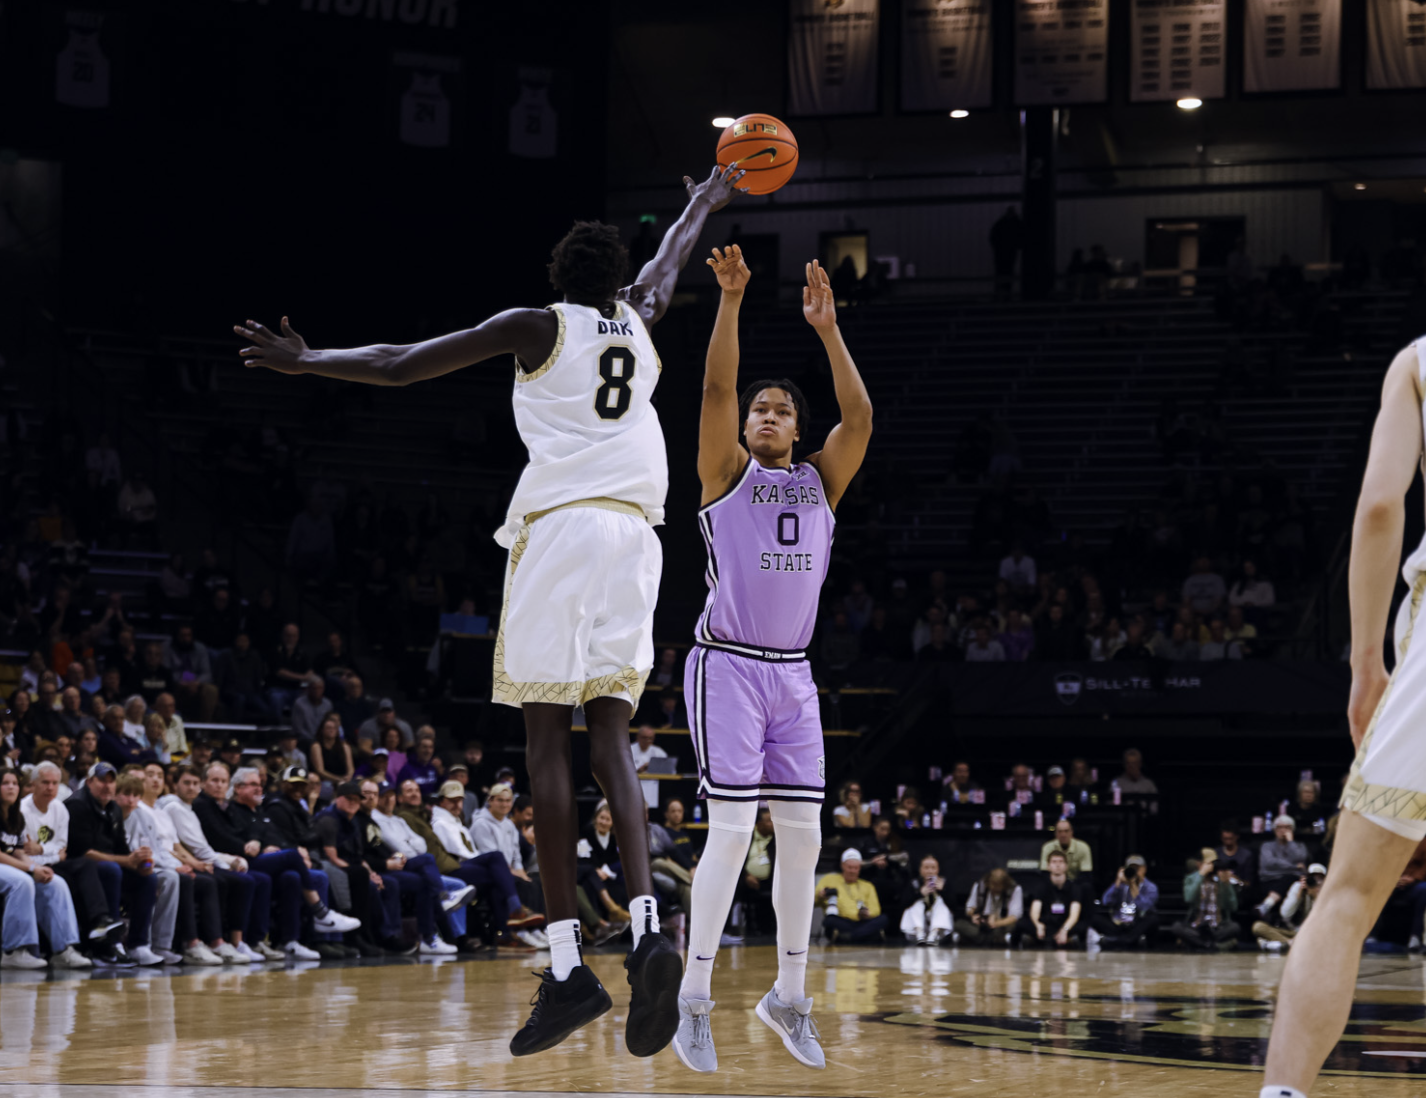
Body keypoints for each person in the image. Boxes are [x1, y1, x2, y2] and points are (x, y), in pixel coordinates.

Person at [239, 166, 746, 1058]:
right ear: (616, 279)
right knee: (613, 743)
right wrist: (708, 195)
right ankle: (647, 929)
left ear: (559, 277)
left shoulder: (533, 326)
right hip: (639, 541)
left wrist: (310, 359)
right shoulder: (639, 317)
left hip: (561, 533)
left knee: (545, 745)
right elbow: (670, 261)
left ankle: (565, 968)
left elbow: (402, 362)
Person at [671, 249, 872, 1074]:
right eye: (760, 407)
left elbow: (858, 420)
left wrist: (827, 332)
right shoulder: (724, 476)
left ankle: (789, 996)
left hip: (793, 675)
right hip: (727, 665)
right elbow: (717, 390)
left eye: (781, 410)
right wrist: (731, 301)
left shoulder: (823, 481)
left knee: (803, 835)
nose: (765, 413)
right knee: (725, 831)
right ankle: (691, 1000)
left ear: (797, 428)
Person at [65, 760, 168, 965]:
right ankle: (111, 944)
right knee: (112, 870)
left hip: (108, 866)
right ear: (89, 782)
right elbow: (83, 852)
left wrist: (141, 864)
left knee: (148, 879)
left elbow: (121, 849)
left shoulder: (113, 809)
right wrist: (125, 860)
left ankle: (139, 944)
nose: (107, 785)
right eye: (102, 780)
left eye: (111, 781)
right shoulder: (77, 805)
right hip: (79, 869)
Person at [21, 761, 126, 961]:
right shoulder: (23, 810)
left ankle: (101, 922)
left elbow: (62, 850)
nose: (50, 787)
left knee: (86, 866)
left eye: (54, 783)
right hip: (31, 866)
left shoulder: (59, 809)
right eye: (45, 782)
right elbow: (27, 852)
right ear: (33, 784)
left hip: (52, 863)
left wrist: (41, 849)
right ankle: (66, 948)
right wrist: (47, 854)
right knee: (63, 881)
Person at [0, 768, 89, 969]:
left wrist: (37, 867)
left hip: (9, 865)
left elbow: (17, 851)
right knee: (21, 882)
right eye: (5, 783)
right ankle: (14, 950)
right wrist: (29, 870)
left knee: (54, 882)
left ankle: (63, 949)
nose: (11, 787)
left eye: (15, 783)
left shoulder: (16, 817)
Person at [815, 849, 888, 945]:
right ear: (842, 866)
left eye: (856, 868)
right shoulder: (829, 879)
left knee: (883, 918)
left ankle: (851, 936)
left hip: (862, 921)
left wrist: (868, 913)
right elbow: (813, 902)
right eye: (849, 867)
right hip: (842, 922)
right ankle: (860, 936)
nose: (852, 871)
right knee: (829, 920)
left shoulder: (867, 885)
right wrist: (820, 895)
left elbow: (876, 909)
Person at [1170, 849, 1239, 951]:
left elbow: (1233, 907)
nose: (1213, 866)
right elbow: (1189, 898)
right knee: (1177, 927)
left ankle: (1198, 944)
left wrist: (1226, 885)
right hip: (1197, 925)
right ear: (1199, 864)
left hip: (1217, 926)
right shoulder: (1191, 878)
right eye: (1210, 863)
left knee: (1235, 927)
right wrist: (1201, 875)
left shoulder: (1221, 881)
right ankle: (1211, 946)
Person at [1088, 855, 1159, 951]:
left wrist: (1133, 885)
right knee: (1093, 917)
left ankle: (1121, 940)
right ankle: (1123, 939)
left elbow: (1144, 906)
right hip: (1119, 923)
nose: (1134, 871)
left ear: (1144, 869)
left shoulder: (1150, 887)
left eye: (1137, 869)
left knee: (1152, 919)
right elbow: (1106, 901)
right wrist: (1117, 883)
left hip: (1136, 924)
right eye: (1131, 869)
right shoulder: (1121, 885)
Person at [1254, 863, 1326, 953]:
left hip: (1313, 934)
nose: (1316, 882)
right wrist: (1298, 895)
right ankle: (1289, 944)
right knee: (1258, 927)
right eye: (1312, 878)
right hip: (1294, 932)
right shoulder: (1298, 887)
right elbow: (1285, 914)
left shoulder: (1328, 893)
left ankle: (1280, 945)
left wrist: (1317, 895)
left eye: (1320, 879)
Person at [1019, 851, 1083, 948]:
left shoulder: (1074, 888)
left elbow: (1074, 914)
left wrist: (1065, 929)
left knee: (1083, 927)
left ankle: (1068, 940)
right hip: (1046, 924)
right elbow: (1035, 910)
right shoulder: (1041, 886)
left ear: (1066, 866)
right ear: (1048, 866)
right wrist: (1038, 925)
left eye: (1061, 862)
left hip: (1065, 923)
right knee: (1021, 925)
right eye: (1054, 862)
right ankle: (1036, 940)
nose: (1057, 865)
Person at [954, 867, 1023, 947]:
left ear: (1004, 885)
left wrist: (997, 923)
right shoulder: (979, 886)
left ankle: (985, 940)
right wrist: (973, 915)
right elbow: (970, 908)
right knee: (959, 924)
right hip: (981, 924)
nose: (993, 888)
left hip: (1002, 924)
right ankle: (992, 940)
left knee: (1011, 927)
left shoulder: (1015, 889)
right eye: (992, 884)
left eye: (997, 886)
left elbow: (1014, 916)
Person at [898, 854, 951, 945]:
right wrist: (919, 894)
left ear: (938, 870)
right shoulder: (914, 883)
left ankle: (933, 935)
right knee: (917, 903)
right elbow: (903, 904)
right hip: (916, 926)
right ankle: (920, 935)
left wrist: (943, 891)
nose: (930, 871)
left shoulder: (944, 883)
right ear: (920, 870)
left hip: (938, 928)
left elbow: (953, 906)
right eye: (926, 868)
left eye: (933, 868)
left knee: (940, 902)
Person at [630, 724, 668, 812]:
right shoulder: (629, 749)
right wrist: (639, 769)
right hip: (633, 786)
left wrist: (653, 767)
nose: (647, 740)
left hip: (654, 788)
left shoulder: (658, 752)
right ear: (638, 737)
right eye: (644, 737)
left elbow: (669, 770)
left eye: (650, 738)